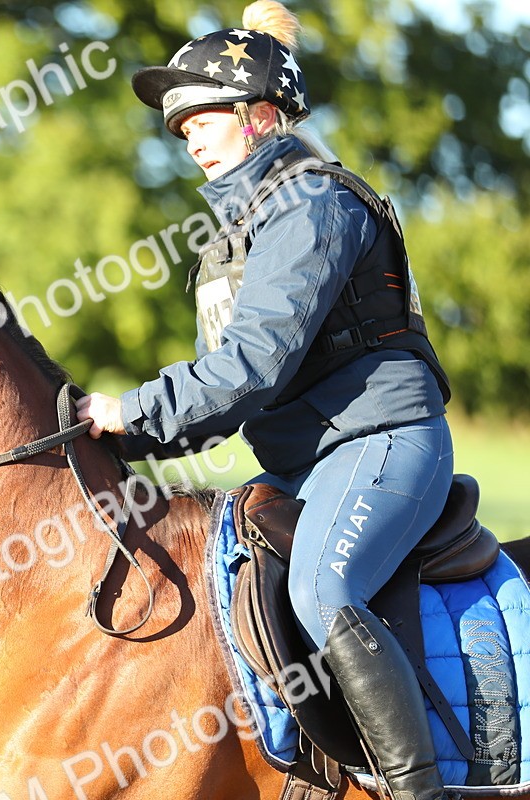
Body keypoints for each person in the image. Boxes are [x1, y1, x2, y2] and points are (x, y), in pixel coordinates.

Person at [76, 2, 455, 798]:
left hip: (381, 443)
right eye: (182, 133)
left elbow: (250, 368)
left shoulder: (310, 205)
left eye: (204, 120)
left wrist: (131, 415)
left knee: (324, 589)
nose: (192, 142)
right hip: (301, 463)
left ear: (259, 115)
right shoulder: (243, 227)